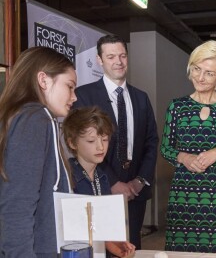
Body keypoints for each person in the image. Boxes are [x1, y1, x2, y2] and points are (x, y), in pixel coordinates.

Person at [160, 40, 216, 254]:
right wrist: (183, 157)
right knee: (182, 250)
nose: (200, 77)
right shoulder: (177, 107)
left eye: (209, 73)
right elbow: (165, 148)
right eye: (197, 69)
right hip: (184, 193)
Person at [73, 34, 159, 249]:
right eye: (111, 57)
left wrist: (141, 180)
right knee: (102, 248)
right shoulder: (84, 95)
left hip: (136, 192)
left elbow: (151, 141)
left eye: (122, 55)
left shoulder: (141, 97)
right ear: (100, 60)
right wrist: (112, 181)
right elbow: (84, 147)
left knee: (132, 246)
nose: (118, 62)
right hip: (101, 188)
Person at [0, 47, 77, 257]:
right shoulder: (35, 119)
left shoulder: (23, 118)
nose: (74, 96)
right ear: (43, 80)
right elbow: (17, 206)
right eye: (69, 87)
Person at [62, 106, 136, 258]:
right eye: (91, 141)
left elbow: (102, 225)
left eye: (105, 139)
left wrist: (112, 243)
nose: (100, 147)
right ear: (72, 143)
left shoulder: (102, 177)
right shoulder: (67, 177)